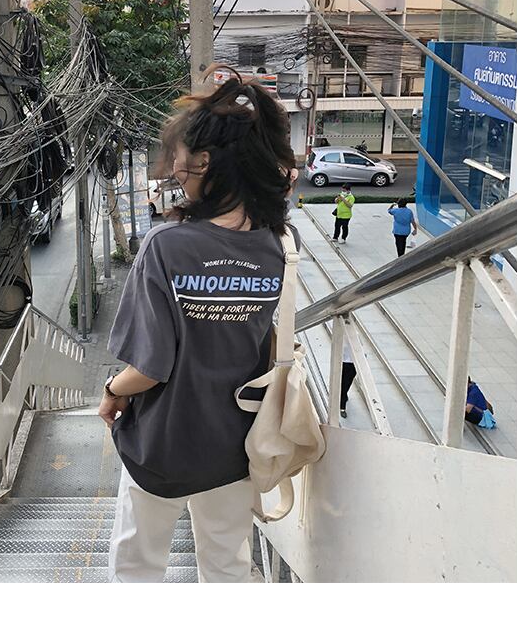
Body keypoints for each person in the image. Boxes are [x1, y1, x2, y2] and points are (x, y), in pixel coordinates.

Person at [99, 65, 300, 583]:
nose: (174, 167)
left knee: (137, 567)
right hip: (235, 445)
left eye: (179, 155)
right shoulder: (279, 244)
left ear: (205, 162)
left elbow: (150, 367)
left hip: (162, 446)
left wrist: (112, 392)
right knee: (227, 567)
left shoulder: (166, 246)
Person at [339, 343, 357, 419]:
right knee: (344, 385)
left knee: (347, 383)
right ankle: (342, 407)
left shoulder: (355, 338)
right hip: (344, 362)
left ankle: (344, 395)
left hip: (353, 363)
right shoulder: (343, 338)